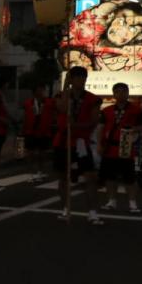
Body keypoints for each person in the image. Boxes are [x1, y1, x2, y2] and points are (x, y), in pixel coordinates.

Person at [53, 66, 103, 224]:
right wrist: (66, 87)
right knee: (63, 177)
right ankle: (65, 208)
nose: (82, 81)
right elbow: (61, 108)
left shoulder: (92, 99)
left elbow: (94, 121)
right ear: (71, 80)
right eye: (78, 78)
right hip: (63, 141)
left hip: (81, 141)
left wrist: (76, 126)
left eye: (84, 78)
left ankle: (93, 212)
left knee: (90, 177)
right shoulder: (62, 95)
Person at [98, 82, 142, 214]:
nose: (121, 94)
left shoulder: (136, 110)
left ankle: (132, 203)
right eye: (118, 92)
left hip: (126, 147)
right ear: (114, 94)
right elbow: (101, 128)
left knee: (129, 177)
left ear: (128, 93)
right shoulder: (106, 111)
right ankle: (112, 201)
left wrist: (133, 129)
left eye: (124, 91)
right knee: (110, 177)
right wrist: (100, 144)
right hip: (110, 147)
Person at [22, 84, 57, 181]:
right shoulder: (28, 103)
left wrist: (53, 123)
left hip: (44, 131)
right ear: (34, 92)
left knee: (42, 153)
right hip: (30, 131)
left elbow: (54, 114)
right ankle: (30, 172)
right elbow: (25, 117)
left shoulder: (50, 102)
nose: (41, 92)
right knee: (30, 153)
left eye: (42, 90)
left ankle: (40, 171)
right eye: (39, 90)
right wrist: (23, 130)